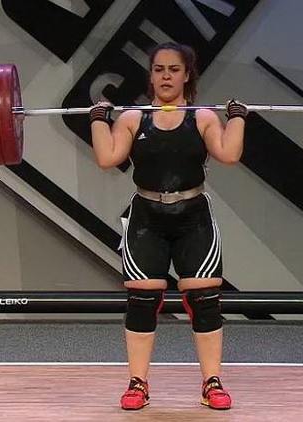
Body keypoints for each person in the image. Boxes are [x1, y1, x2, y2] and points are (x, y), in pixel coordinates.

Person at [89, 42, 247, 411]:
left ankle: (212, 383)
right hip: (147, 217)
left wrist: (238, 118)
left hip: (193, 216)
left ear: (187, 75)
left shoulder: (203, 117)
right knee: (142, 301)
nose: (165, 76)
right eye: (159, 69)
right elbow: (107, 158)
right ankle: (137, 383)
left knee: (204, 300)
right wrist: (98, 119)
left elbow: (229, 154)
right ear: (151, 75)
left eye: (174, 70)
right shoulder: (133, 118)